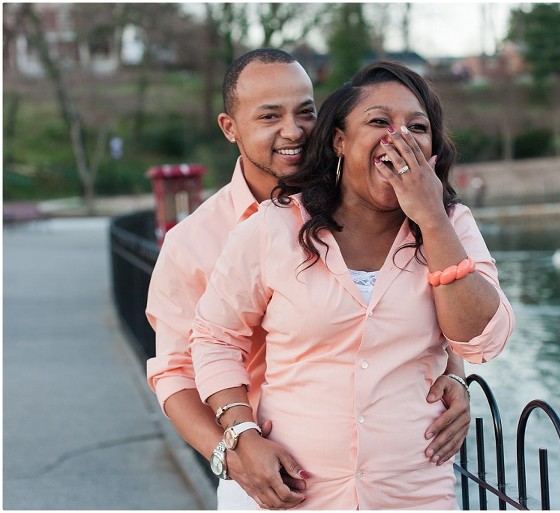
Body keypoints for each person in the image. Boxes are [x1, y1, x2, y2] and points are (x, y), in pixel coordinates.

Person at [145, 50, 472, 508]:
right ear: (229, 128)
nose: (293, 131)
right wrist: (234, 452)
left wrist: (452, 374)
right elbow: (176, 372)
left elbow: (408, 313)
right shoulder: (194, 241)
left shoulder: (370, 207)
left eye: (305, 112)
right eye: (269, 116)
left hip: (387, 477)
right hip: (263, 469)